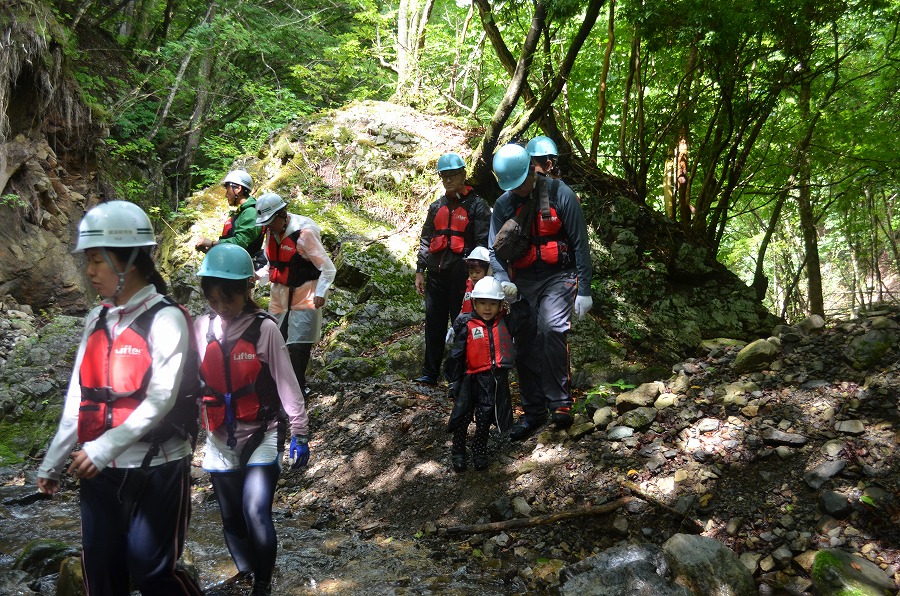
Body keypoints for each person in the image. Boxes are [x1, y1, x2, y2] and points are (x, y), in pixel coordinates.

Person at [36, 200, 202, 596]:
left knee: (150, 570)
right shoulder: (98, 319)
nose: (89, 270)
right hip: (100, 471)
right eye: (88, 260)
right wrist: (54, 460)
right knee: (101, 574)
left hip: (158, 467)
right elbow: (80, 394)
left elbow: (161, 399)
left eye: (97, 260)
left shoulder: (167, 319)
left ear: (127, 260)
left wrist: (100, 449)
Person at [195, 243, 311, 596]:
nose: (222, 308)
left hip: (262, 434)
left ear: (248, 288)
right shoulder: (202, 328)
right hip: (218, 438)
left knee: (255, 511)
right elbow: (188, 385)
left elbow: (288, 384)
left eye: (228, 299)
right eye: (214, 300)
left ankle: (262, 586)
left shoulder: (265, 330)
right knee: (231, 517)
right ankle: (246, 574)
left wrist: (300, 432)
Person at [489, 143, 594, 440]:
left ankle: (560, 403)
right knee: (523, 342)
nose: (519, 189)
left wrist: (584, 288)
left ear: (530, 171)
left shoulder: (562, 195)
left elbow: (580, 244)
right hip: (521, 280)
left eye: (522, 182)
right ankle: (533, 411)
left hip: (559, 275)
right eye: (512, 186)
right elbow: (494, 251)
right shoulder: (505, 204)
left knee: (550, 327)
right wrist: (501, 280)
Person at [414, 152, 491, 385]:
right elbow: (427, 238)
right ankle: (430, 373)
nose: (448, 180)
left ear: (463, 175)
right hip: (436, 274)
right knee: (433, 323)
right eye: (443, 176)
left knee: (462, 323)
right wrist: (420, 269)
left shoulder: (477, 206)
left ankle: (459, 376)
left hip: (462, 275)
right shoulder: (436, 206)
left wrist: (479, 276)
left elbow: (482, 243)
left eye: (452, 175)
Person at [445, 276, 533, 471]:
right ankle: (458, 452)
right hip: (469, 379)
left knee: (485, 417)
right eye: (482, 303)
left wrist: (516, 299)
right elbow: (456, 356)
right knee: (463, 416)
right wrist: (454, 382)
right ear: (474, 302)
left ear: (500, 305)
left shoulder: (506, 322)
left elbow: (525, 318)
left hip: (493, 379)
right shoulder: (467, 324)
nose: (487, 308)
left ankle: (479, 450)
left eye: (492, 304)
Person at [255, 192, 336, 398]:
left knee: (298, 347)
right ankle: (277, 386)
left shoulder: (304, 234)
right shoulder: (270, 233)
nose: (268, 226)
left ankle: (298, 389)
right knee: (274, 341)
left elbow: (328, 268)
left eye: (270, 221)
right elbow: (271, 265)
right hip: (280, 296)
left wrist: (321, 292)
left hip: (305, 294)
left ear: (281, 215)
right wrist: (256, 277)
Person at [195, 169, 264, 264]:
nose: (226, 195)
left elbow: (240, 243)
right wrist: (210, 249)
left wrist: (212, 243)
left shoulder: (251, 213)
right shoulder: (241, 212)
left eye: (228, 189)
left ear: (238, 189)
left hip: (240, 269)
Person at [460, 245, 491, 315]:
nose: (474, 276)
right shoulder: (469, 285)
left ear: (487, 271)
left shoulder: (490, 289)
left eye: (478, 272)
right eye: (471, 272)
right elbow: (463, 306)